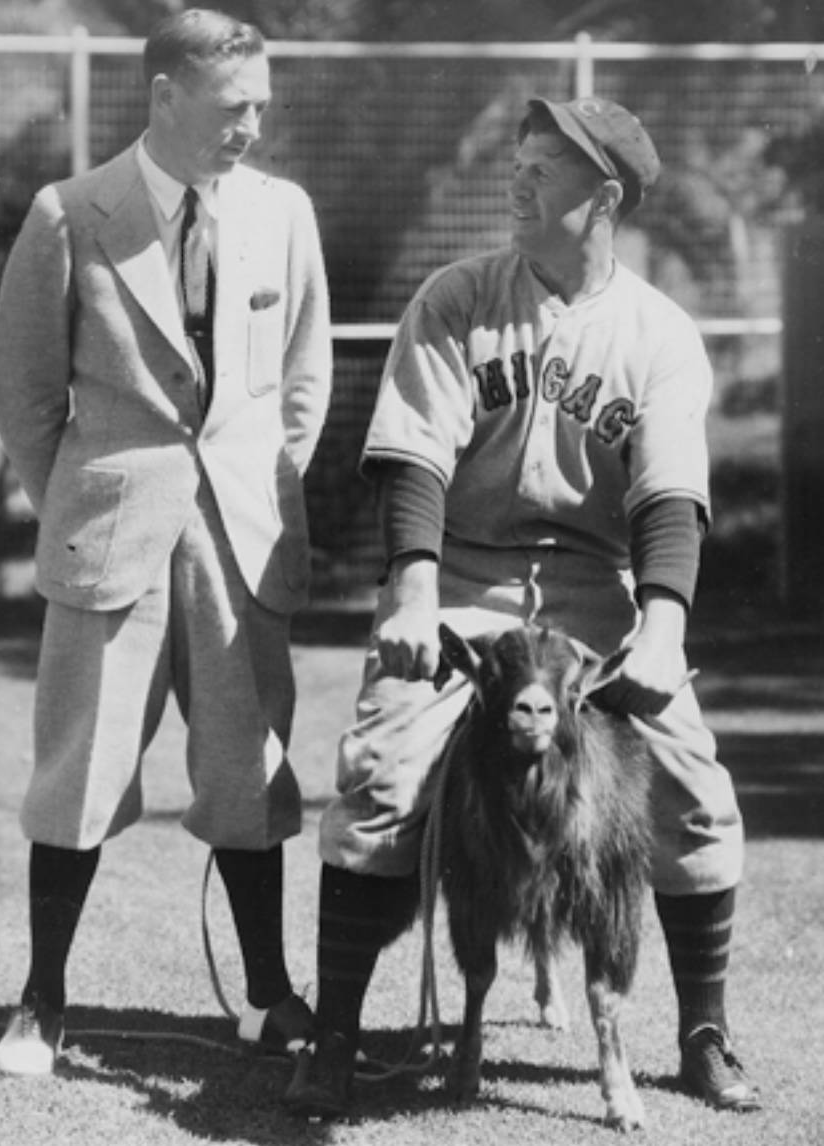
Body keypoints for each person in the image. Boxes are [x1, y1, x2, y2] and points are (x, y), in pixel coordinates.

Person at [284, 96, 760, 1118]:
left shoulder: (659, 335)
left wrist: (665, 631)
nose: (518, 178)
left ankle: (705, 1032)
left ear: (606, 198)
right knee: (383, 773)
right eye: (521, 159)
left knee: (693, 791)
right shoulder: (457, 299)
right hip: (463, 582)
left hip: (596, 592)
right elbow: (412, 455)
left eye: (545, 166)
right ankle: (333, 1036)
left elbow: (670, 496)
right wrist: (412, 593)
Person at [0, 8, 331, 1076]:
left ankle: (270, 999)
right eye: (234, 108)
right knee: (77, 778)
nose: (253, 128)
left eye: (263, 106)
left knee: (249, 777)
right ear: (165, 96)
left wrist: (257, 488)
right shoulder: (71, 212)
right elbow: (24, 391)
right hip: (110, 542)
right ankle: (42, 1005)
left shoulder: (282, 212)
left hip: (240, 540)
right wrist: (86, 508)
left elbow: (304, 380)